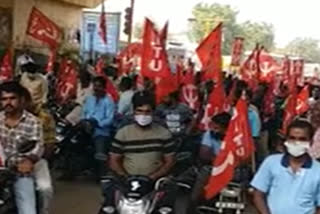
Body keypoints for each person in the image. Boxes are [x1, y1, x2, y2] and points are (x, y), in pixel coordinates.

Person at [103, 90, 185, 211]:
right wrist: (125, 177)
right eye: (139, 111)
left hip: (155, 185)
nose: (143, 115)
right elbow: (114, 160)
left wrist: (153, 177)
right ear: (134, 111)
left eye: (147, 112)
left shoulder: (164, 133)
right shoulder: (123, 133)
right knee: (107, 208)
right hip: (126, 183)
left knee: (166, 209)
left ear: (153, 112)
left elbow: (169, 161)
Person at [251, 119, 320, 214]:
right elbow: (258, 194)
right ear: (286, 140)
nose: (296, 142)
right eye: (292, 138)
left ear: (311, 142)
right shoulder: (271, 162)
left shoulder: (317, 170)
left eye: (302, 139)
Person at [0, 81, 44, 214]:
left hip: (20, 173)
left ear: (21, 100)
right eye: (4, 99)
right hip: (1, 171)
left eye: (12, 98)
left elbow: (37, 147)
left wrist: (28, 161)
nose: (8, 102)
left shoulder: (33, 122)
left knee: (28, 211)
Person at [191, 112, 231, 202]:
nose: (213, 130)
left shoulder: (236, 137)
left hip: (231, 168)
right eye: (212, 126)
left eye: (217, 128)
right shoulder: (209, 134)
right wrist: (219, 162)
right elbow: (204, 153)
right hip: (213, 166)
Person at [81, 76, 115, 176]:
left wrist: (97, 123)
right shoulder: (89, 99)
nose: (96, 88)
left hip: (101, 130)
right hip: (86, 127)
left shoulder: (108, 101)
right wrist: (85, 121)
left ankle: (101, 174)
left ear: (104, 87)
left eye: (99, 86)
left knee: (100, 152)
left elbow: (110, 119)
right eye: (95, 86)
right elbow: (84, 112)